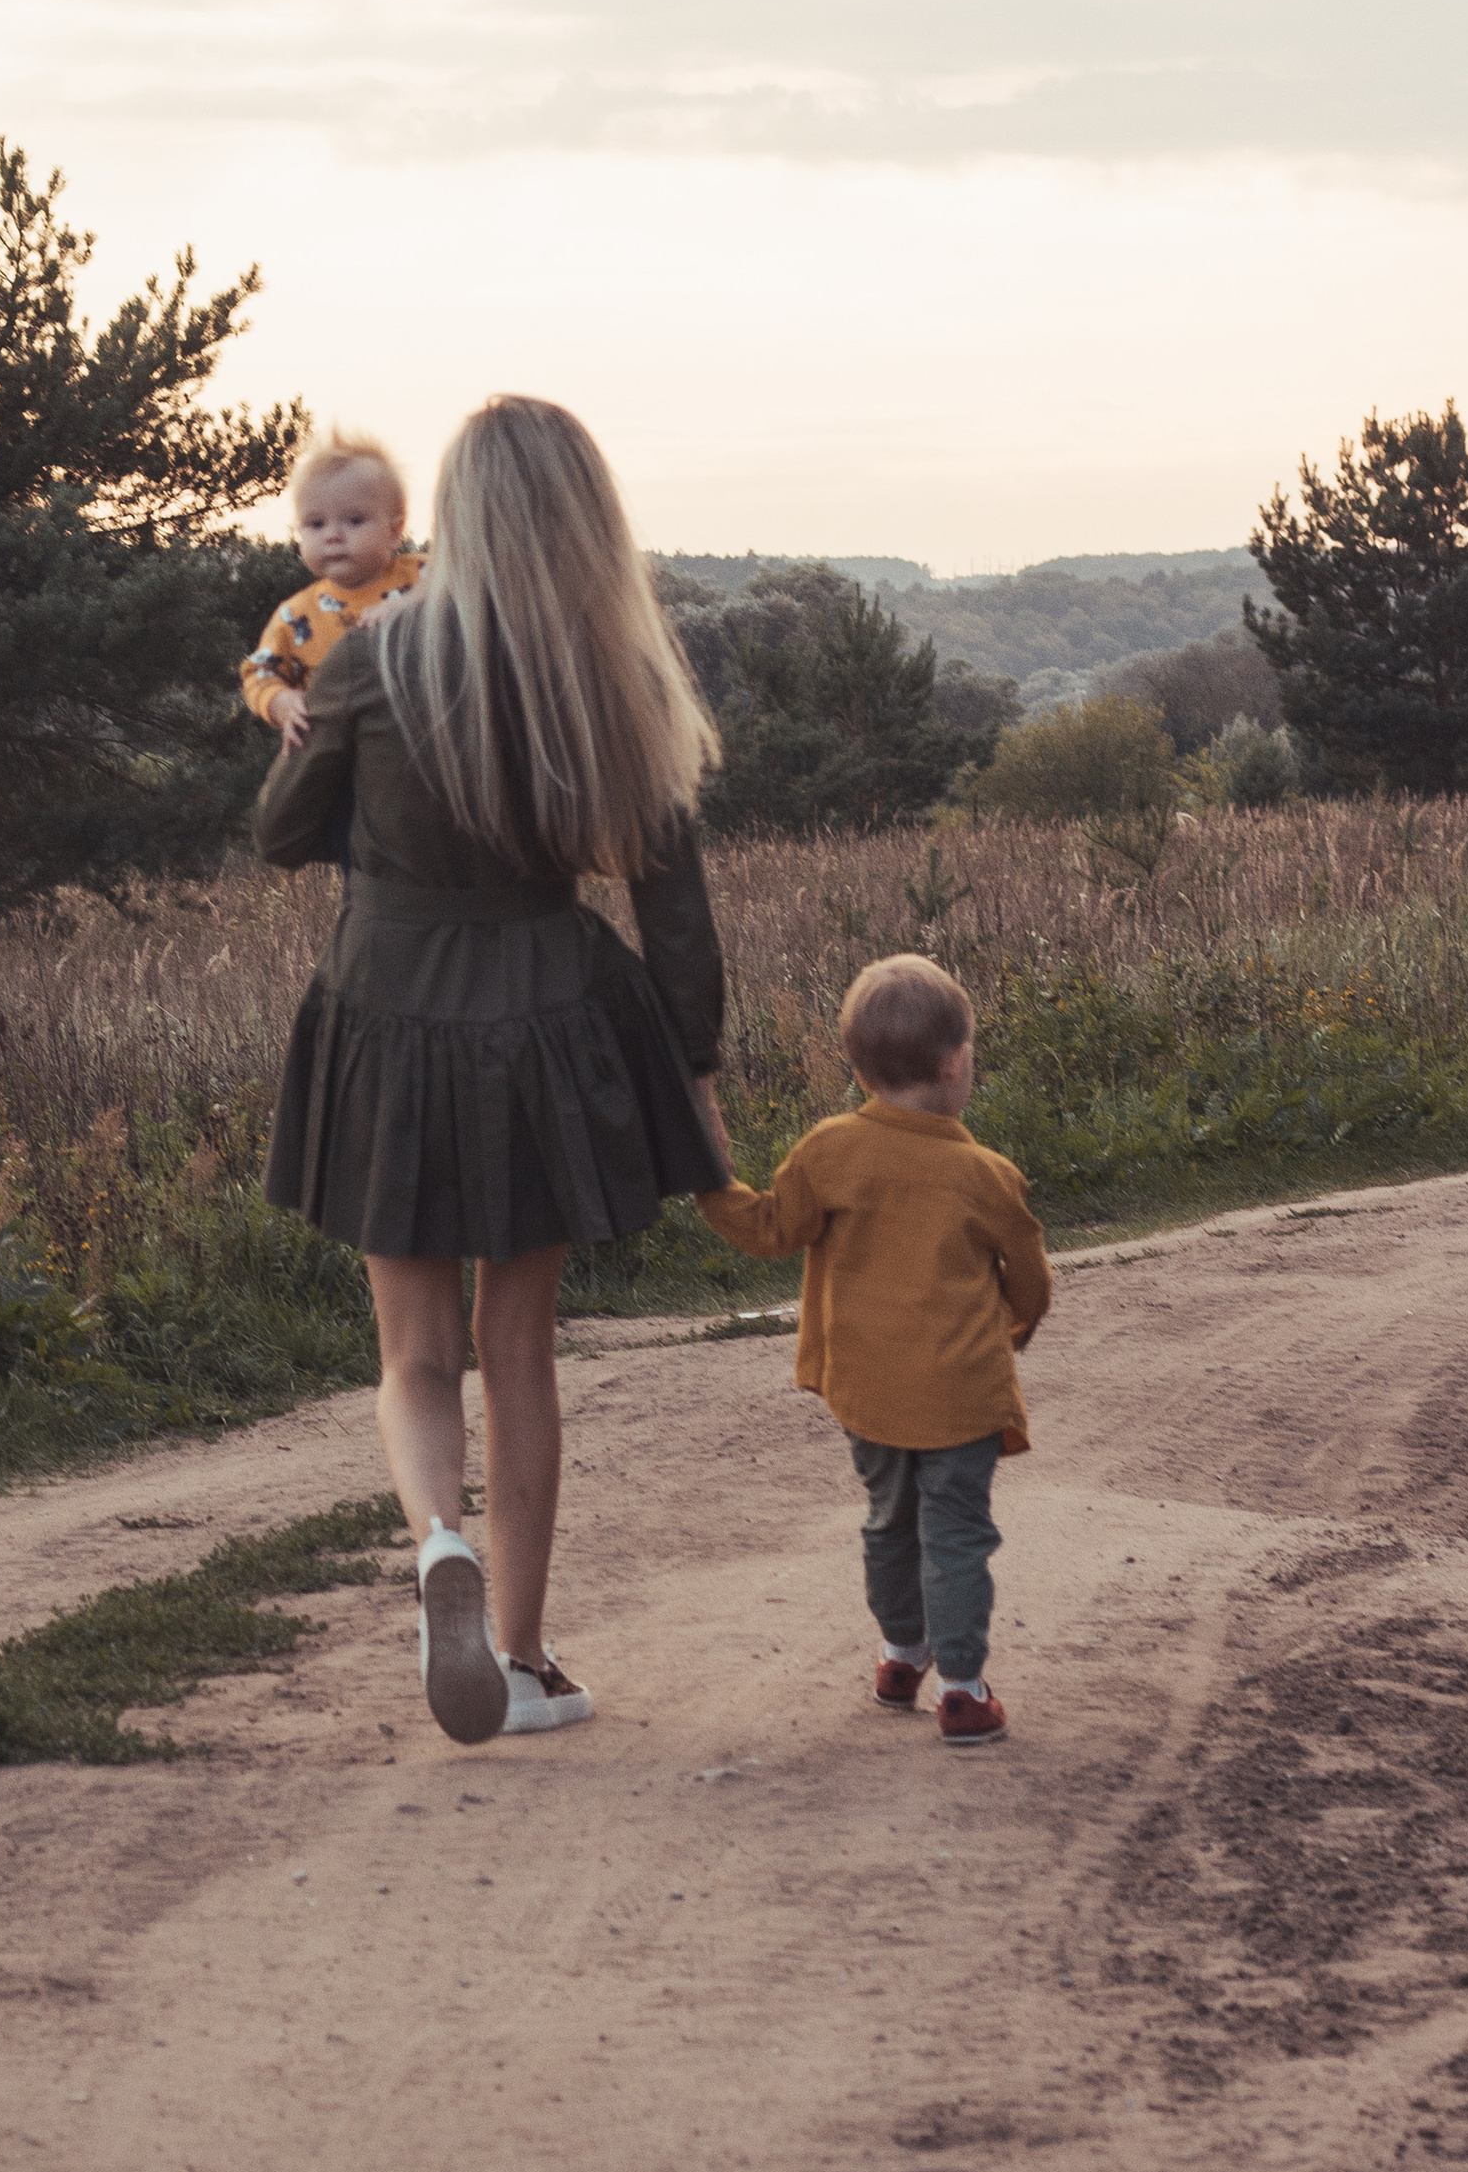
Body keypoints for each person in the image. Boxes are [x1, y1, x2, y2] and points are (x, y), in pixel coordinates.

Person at [255, 395, 731, 1747]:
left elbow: (282, 836)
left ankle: (436, 1548)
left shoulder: (372, 656)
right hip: (550, 1014)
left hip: (388, 1007)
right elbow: (673, 908)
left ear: (446, 513)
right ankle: (518, 1662)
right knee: (519, 1349)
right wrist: (695, 1067)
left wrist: (305, 727)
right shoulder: (620, 675)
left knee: (414, 1353)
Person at [695, 953, 1051, 1745]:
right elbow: (1029, 1278)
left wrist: (710, 1179)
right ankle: (961, 1689)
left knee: (889, 1521)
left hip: (866, 1391)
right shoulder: (985, 1174)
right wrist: (1010, 1333)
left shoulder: (828, 1153)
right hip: (959, 1396)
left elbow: (768, 1229)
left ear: (856, 1067)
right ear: (957, 1063)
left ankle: (899, 1656)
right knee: (955, 1533)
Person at [239, 426, 425, 755]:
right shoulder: (294, 614)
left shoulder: (422, 575)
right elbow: (259, 671)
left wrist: (412, 604)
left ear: (395, 531)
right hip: (340, 753)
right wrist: (278, 701)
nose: (333, 536)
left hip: (421, 736)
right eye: (316, 524)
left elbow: (472, 591)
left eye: (354, 521)